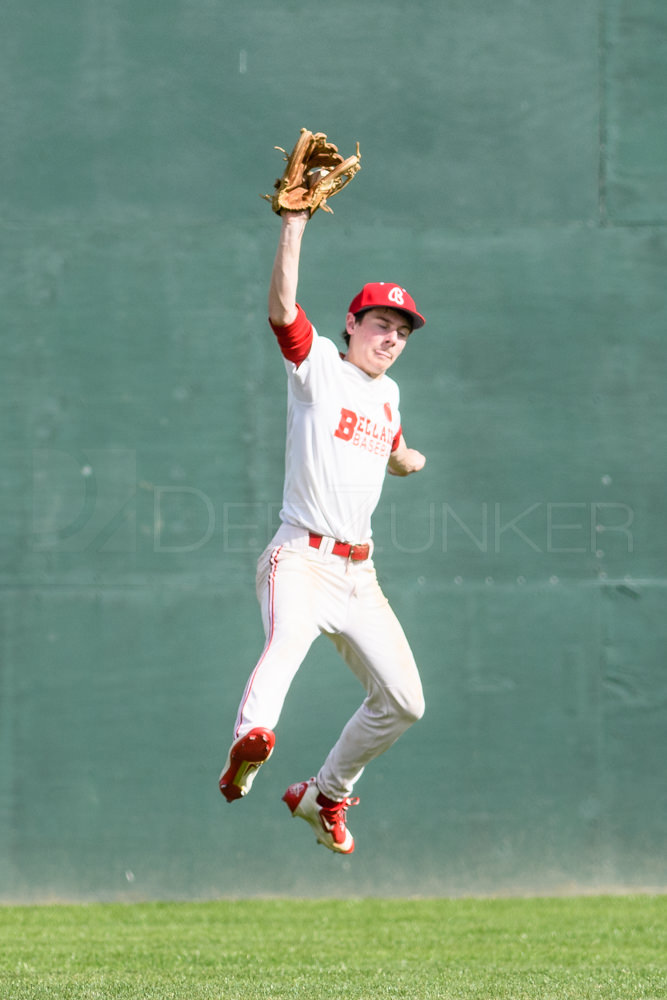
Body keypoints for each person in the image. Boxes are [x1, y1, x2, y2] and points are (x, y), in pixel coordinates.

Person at [218, 208, 427, 854]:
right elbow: (283, 310)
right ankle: (249, 745)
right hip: (300, 558)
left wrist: (404, 458)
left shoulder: (388, 395)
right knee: (285, 645)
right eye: (379, 324)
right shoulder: (318, 371)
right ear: (351, 324)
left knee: (404, 702)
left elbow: (388, 445)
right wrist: (294, 224)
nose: (389, 338)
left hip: (357, 575)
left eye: (400, 331)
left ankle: (324, 795)